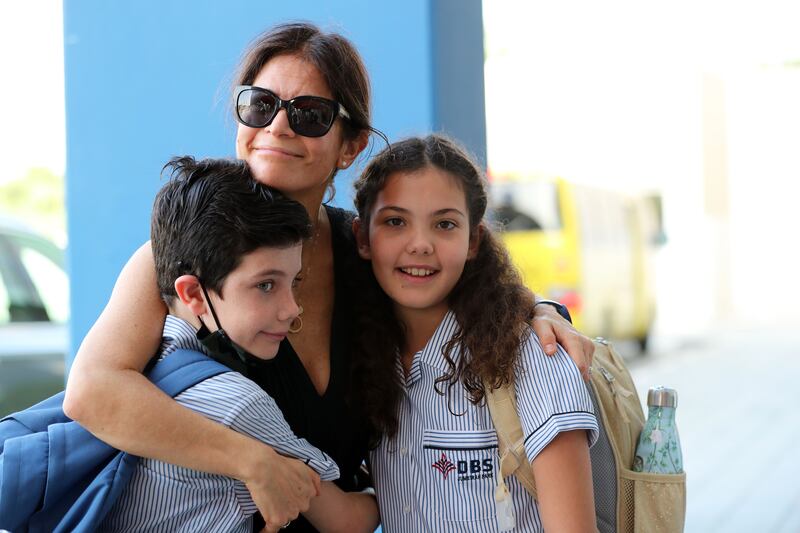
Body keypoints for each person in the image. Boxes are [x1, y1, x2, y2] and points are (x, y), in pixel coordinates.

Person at [63, 22, 593, 532]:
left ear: (352, 144)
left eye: (310, 113)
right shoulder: (183, 251)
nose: (277, 126)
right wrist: (254, 462)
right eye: (260, 104)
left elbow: (469, 284)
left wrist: (540, 312)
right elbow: (92, 392)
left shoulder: (368, 251)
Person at [101, 155, 378, 532]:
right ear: (194, 294)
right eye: (266, 285)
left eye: (294, 282)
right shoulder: (241, 407)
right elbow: (345, 522)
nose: (292, 309)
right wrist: (393, 486)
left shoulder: (144, 367)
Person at [351, 134, 599, 532]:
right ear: (363, 237)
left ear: (473, 241)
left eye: (444, 224)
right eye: (395, 222)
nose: (420, 245)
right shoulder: (365, 363)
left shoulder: (533, 360)